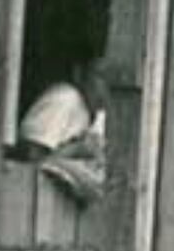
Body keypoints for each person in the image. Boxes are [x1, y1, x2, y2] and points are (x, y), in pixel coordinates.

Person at [17, 48, 110, 202]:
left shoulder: (91, 112)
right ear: (79, 73)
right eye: (100, 77)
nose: (105, 88)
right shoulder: (65, 98)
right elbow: (29, 159)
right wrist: (76, 149)